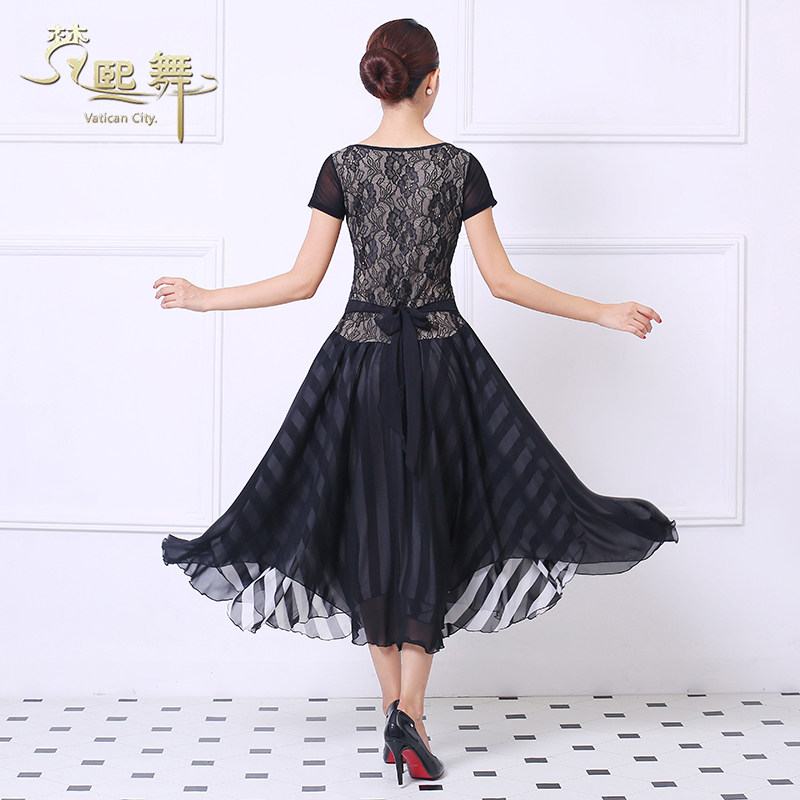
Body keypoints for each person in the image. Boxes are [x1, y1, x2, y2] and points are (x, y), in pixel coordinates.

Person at [156, 18, 679, 786]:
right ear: (430, 80)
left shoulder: (342, 167)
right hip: (441, 367)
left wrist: (206, 298)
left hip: (359, 367)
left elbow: (301, 283)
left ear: (379, 80)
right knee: (429, 529)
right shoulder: (458, 167)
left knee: (369, 533)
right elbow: (503, 282)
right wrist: (602, 310)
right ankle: (413, 714)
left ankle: (396, 714)